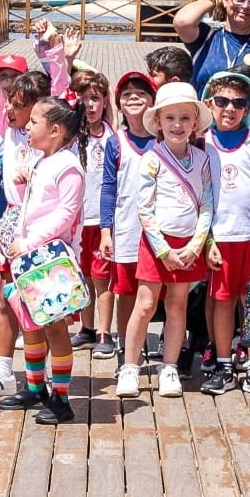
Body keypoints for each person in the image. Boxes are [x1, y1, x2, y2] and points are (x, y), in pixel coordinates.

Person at [0, 14, 71, 404]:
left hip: (44, 228)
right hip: (13, 221)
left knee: (43, 305)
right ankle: (6, 374)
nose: (9, 111)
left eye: (19, 106)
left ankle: (49, 384)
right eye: (9, 104)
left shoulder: (54, 143)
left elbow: (60, 87)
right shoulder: (9, 130)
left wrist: (55, 47)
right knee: (7, 299)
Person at [116, 82, 214, 398]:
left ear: (195, 123)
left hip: (188, 244)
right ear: (158, 122)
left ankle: (169, 365)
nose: (177, 125)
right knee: (145, 304)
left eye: (185, 118)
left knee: (177, 303)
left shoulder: (202, 159)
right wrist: (163, 250)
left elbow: (207, 205)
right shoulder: (152, 158)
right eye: (170, 118)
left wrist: (195, 245)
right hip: (157, 243)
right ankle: (130, 366)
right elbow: (143, 208)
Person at [4, 95, 87, 424]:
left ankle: (61, 397)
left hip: (51, 260)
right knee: (32, 324)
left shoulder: (69, 167)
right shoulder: (44, 161)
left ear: (55, 130)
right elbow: (38, 207)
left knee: (54, 326)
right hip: (31, 258)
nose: (27, 127)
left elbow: (66, 214)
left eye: (34, 122)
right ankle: (35, 386)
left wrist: (28, 241)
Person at [200, 71, 250, 397]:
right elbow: (199, 195)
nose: (229, 109)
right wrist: (208, 241)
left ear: (247, 108)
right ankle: (223, 363)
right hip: (220, 237)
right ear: (210, 104)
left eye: (238, 103)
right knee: (222, 301)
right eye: (222, 101)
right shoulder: (202, 143)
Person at [98, 71, 158, 362]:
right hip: (126, 229)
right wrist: (105, 231)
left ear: (153, 101)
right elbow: (108, 189)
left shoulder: (163, 139)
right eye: (126, 94)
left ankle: (157, 344)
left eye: (141, 93)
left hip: (160, 232)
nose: (133, 98)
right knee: (126, 292)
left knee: (159, 292)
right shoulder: (116, 142)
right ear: (119, 104)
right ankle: (126, 347)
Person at [71, 70, 115, 354]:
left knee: (102, 277)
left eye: (95, 99)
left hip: (103, 221)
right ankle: (86, 328)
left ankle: (104, 332)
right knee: (83, 275)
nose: (89, 105)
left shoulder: (112, 134)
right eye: (84, 99)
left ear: (105, 101)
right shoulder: (72, 135)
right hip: (78, 220)